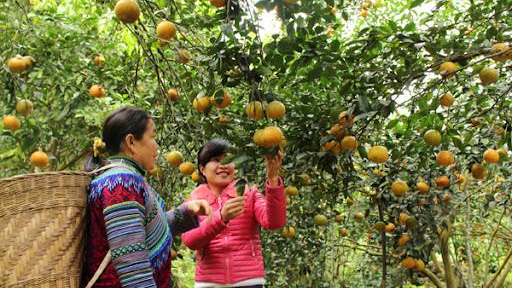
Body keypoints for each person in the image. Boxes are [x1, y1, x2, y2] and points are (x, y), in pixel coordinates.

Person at [82, 106, 212, 288]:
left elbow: (138, 231)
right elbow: (130, 259)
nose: (157, 146)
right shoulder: (121, 182)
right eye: (152, 137)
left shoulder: (121, 178)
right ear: (131, 142)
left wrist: (186, 211)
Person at [182, 138, 286, 288]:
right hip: (209, 282)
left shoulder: (248, 193)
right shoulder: (194, 201)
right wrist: (220, 218)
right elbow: (190, 241)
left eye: (228, 159)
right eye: (216, 160)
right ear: (202, 169)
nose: (223, 165)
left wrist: (273, 180)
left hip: (248, 282)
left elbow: (274, 222)